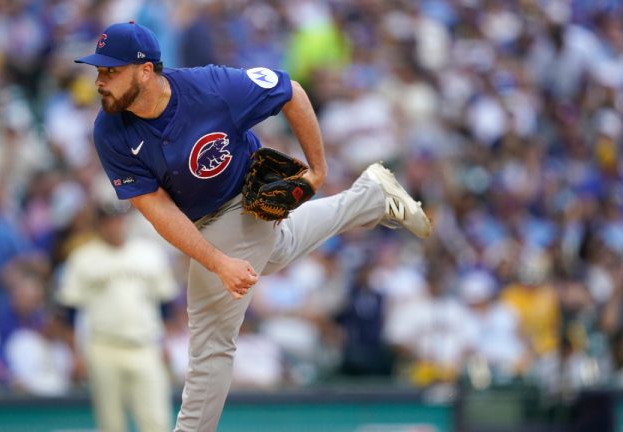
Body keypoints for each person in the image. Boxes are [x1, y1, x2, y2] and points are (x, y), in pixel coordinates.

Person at [73, 21, 431, 432]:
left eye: (110, 71)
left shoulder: (210, 87)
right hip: (208, 218)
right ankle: (372, 196)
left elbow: (291, 92)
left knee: (211, 339)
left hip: (247, 195)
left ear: (145, 71)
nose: (100, 80)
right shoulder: (109, 130)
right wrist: (216, 259)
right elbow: (157, 209)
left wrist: (318, 169)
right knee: (277, 250)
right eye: (98, 70)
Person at [58, 206, 178, 432]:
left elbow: (165, 305)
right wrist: (74, 354)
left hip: (145, 345)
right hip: (103, 345)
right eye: (109, 220)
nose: (115, 225)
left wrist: (166, 343)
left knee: (156, 421)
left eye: (118, 220)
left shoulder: (149, 253)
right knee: (111, 423)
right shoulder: (83, 257)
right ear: (100, 224)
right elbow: (70, 310)